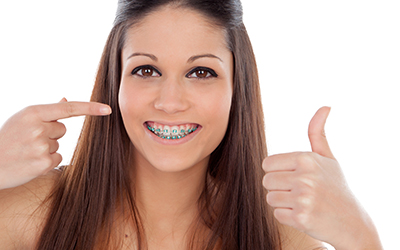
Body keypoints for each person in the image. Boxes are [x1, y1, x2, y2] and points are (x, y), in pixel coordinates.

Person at [0, 0, 383, 249]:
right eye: (146, 70)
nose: (170, 102)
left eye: (201, 72)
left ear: (238, 89)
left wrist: (359, 234)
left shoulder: (282, 236)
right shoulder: (34, 210)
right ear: (114, 82)